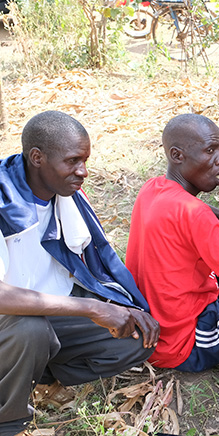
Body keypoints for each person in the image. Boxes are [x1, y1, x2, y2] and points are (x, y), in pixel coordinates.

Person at [0, 111, 159, 436]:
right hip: (12, 320)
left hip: (51, 309)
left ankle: (38, 377)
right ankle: (9, 422)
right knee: (30, 331)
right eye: (73, 161)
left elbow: (84, 266)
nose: (83, 171)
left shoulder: (66, 196)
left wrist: (115, 305)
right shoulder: (6, 204)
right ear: (37, 158)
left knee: (133, 337)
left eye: (85, 160)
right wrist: (94, 308)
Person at [126, 114, 219, 372]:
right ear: (177, 156)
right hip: (188, 345)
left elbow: (195, 209)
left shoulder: (153, 188)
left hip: (152, 337)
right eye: (210, 150)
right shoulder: (193, 214)